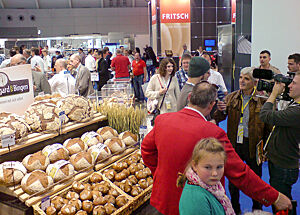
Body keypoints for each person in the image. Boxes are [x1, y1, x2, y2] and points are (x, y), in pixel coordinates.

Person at [141, 81, 292, 215]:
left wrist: (161, 173)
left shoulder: (163, 120)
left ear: (189, 98)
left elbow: (146, 150)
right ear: (212, 105)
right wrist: (274, 197)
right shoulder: (213, 132)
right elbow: (239, 172)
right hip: (200, 204)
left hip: (163, 200)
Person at [214, 67, 270, 214]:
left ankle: (257, 208)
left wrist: (266, 149)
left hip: (254, 145)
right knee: (233, 180)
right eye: (240, 77)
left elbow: (268, 128)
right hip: (235, 145)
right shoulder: (231, 98)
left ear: (254, 82)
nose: (241, 81)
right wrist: (220, 110)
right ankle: (235, 208)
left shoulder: (263, 101)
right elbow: (218, 118)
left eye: (246, 79)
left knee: (256, 180)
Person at [259, 71, 300, 212]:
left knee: (282, 203)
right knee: (282, 199)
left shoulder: (297, 112)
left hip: (283, 166)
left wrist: (273, 94)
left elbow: (265, 115)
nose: (290, 86)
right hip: (281, 161)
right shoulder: (295, 104)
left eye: (294, 83)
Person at [178, 138, 234, 215]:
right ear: (194, 166)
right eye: (208, 167)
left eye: (219, 167)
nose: (215, 173)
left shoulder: (211, 187)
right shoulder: (196, 199)